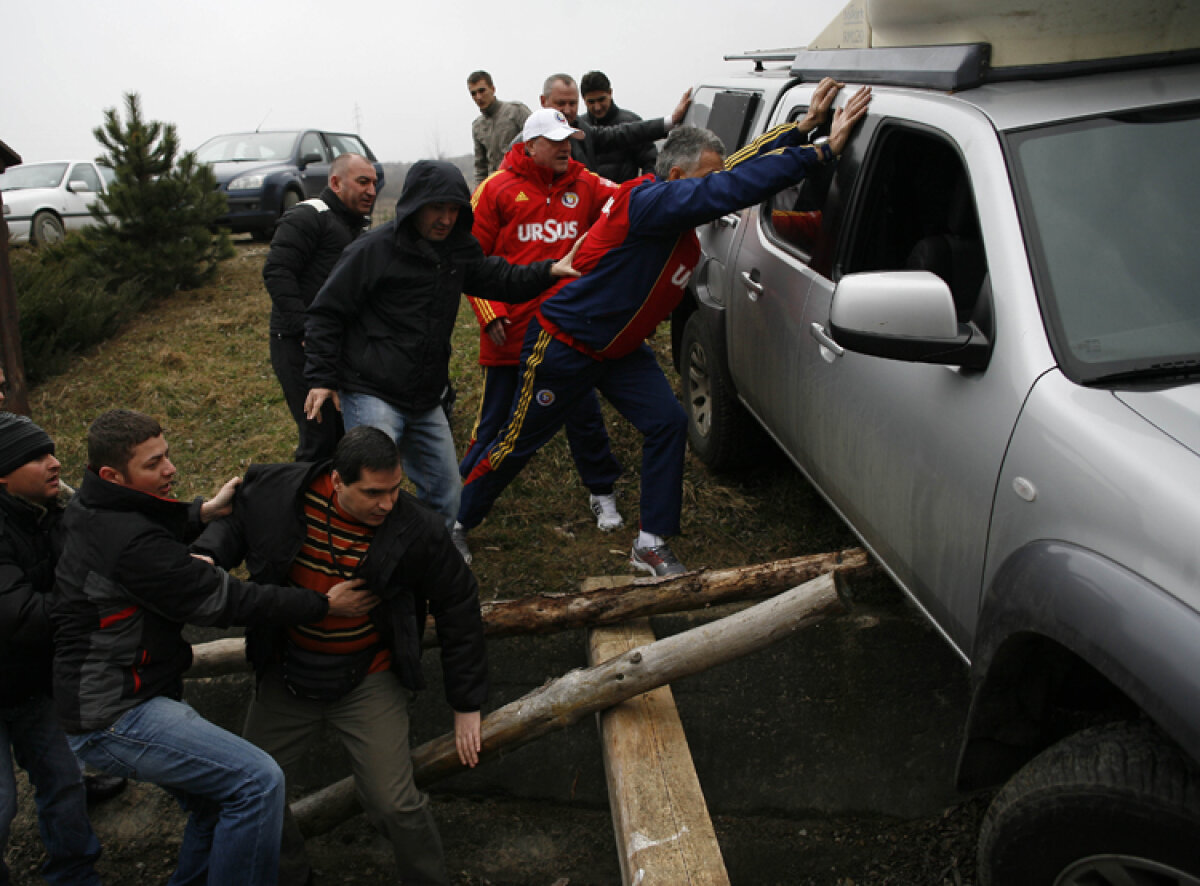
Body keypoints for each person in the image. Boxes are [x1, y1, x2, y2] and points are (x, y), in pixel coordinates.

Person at [457, 79, 872, 576]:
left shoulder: (672, 199)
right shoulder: (647, 203)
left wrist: (799, 131)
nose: (714, 189)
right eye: (702, 180)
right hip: (566, 344)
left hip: (619, 350)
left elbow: (729, 174)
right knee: (513, 443)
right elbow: (726, 186)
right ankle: (453, 521)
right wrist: (820, 154)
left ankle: (650, 544)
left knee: (667, 422)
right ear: (677, 176)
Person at [51, 409, 378, 886]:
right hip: (116, 714)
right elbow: (225, 598)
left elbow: (144, 522)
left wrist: (200, 513)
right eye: (154, 464)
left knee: (214, 804)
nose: (170, 470)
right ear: (111, 475)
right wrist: (321, 604)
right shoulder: (129, 543)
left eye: (166, 455)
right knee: (256, 781)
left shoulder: (93, 507)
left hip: (123, 694)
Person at [192, 425, 485, 886]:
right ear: (337, 482)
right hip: (287, 674)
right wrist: (209, 555)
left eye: (395, 489)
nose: (387, 504)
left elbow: (459, 606)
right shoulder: (281, 493)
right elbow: (237, 522)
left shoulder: (415, 528)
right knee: (250, 790)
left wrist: (466, 703)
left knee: (395, 803)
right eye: (373, 493)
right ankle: (290, 876)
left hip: (367, 677)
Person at [302, 159, 581, 538]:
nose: (446, 219)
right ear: (415, 204)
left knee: (446, 493)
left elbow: (498, 277)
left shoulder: (458, 250)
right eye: (437, 207)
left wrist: (547, 271)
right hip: (371, 388)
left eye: (454, 209)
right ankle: (357, 556)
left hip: (426, 393)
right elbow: (326, 311)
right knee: (372, 486)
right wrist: (321, 378)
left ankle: (433, 559)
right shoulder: (374, 249)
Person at [460, 108, 624, 554]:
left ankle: (602, 492)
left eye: (568, 138)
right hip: (510, 331)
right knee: (494, 422)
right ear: (528, 145)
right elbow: (467, 261)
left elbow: (628, 201)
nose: (565, 146)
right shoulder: (495, 188)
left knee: (583, 414)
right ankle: (456, 509)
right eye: (554, 140)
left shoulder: (585, 183)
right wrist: (488, 310)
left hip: (567, 333)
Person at [0, 413, 103, 886]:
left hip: (32, 684)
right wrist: (93, 602)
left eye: (52, 451)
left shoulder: (53, 511)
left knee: (64, 781)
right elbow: (18, 613)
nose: (54, 463)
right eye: (36, 457)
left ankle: (75, 875)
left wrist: (198, 514)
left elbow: (120, 526)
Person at [264, 152, 378, 463]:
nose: (371, 190)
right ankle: (298, 504)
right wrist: (304, 329)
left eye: (374, 183)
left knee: (344, 436)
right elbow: (277, 272)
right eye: (363, 182)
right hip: (296, 346)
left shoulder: (358, 230)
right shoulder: (309, 215)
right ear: (335, 182)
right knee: (319, 438)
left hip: (339, 347)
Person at [540, 73, 690, 174]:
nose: (567, 110)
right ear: (543, 101)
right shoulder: (526, 141)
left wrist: (671, 120)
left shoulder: (583, 129)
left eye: (572, 103)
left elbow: (625, 134)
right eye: (561, 103)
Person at [580, 70, 657, 183]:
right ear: (583, 99)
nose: (597, 107)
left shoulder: (632, 122)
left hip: (625, 196)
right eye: (591, 102)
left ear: (610, 93)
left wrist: (643, 189)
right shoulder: (579, 128)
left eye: (601, 100)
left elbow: (651, 163)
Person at [468, 71, 531, 186]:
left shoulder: (516, 111)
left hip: (523, 182)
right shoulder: (478, 126)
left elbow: (538, 144)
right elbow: (481, 167)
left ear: (492, 89)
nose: (478, 97)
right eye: (473, 93)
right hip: (497, 186)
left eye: (482, 91)